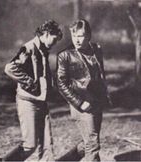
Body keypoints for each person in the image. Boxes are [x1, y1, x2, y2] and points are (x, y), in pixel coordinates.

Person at [0, 20, 62, 162]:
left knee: (47, 146)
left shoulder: (44, 49)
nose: (55, 43)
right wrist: (30, 83)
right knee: (29, 145)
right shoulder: (29, 48)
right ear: (47, 33)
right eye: (54, 39)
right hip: (28, 102)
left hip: (41, 102)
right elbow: (10, 68)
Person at [57, 19, 111, 162]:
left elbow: (100, 74)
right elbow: (61, 84)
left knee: (87, 142)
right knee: (93, 144)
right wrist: (80, 103)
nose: (77, 40)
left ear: (88, 36)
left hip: (96, 102)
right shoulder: (65, 55)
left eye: (80, 36)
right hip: (81, 105)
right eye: (74, 36)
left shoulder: (97, 49)